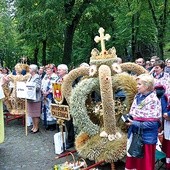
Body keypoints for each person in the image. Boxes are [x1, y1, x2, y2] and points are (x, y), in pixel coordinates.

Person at [125, 74, 162, 170]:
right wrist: (129, 117)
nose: (137, 86)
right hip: (135, 135)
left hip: (147, 138)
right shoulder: (138, 97)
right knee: (134, 163)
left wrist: (134, 123)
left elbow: (154, 124)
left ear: (147, 86)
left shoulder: (154, 100)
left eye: (139, 84)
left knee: (145, 165)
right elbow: (134, 113)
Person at [56, 64, 75, 149]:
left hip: (67, 104)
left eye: (60, 70)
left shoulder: (69, 79)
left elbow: (71, 90)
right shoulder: (58, 79)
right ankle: (62, 139)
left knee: (69, 123)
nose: (58, 71)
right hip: (59, 103)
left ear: (65, 70)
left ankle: (70, 141)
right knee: (61, 122)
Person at [41, 64, 58, 130]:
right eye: (46, 69)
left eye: (48, 69)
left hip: (50, 96)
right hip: (44, 96)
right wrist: (43, 91)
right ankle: (46, 123)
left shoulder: (55, 76)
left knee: (51, 110)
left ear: (52, 70)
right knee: (45, 109)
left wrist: (48, 92)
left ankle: (53, 125)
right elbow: (42, 84)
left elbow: (54, 86)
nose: (46, 71)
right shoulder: (45, 76)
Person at [26, 64, 41, 133]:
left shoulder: (37, 77)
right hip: (29, 98)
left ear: (34, 70)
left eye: (30, 68)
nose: (29, 69)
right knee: (32, 113)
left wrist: (31, 87)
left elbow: (38, 87)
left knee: (35, 114)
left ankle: (36, 128)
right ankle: (33, 126)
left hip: (36, 98)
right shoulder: (30, 77)